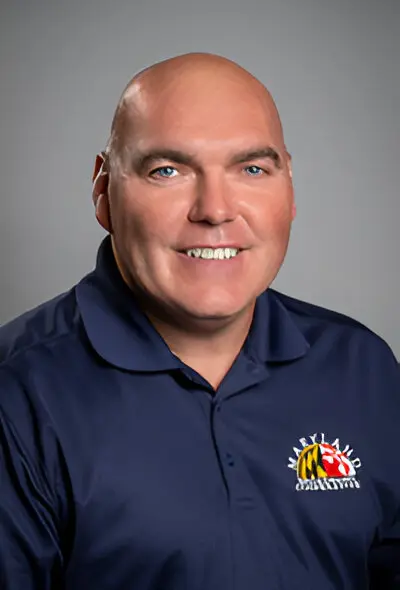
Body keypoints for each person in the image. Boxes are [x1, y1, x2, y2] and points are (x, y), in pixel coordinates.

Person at [0, 52, 399, 590]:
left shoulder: (363, 368)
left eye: (252, 169)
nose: (214, 209)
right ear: (103, 192)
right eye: (168, 170)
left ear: (290, 191)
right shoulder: (18, 392)